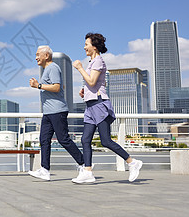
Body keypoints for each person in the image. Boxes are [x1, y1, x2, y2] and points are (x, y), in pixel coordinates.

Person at [72, 33, 143, 183]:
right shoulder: (92, 62)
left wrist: (79, 68)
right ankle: (88, 172)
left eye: (86, 44)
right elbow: (92, 84)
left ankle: (132, 162)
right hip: (90, 105)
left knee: (105, 140)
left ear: (94, 46)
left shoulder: (98, 61)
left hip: (99, 104)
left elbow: (92, 81)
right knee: (85, 139)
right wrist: (85, 92)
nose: (84, 47)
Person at [28, 45, 85, 181]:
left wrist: (38, 86)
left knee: (63, 139)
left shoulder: (53, 67)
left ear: (46, 56)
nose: (36, 57)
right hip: (48, 113)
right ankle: (45, 170)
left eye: (37, 54)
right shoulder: (47, 69)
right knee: (44, 140)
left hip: (57, 111)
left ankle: (84, 164)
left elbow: (56, 87)